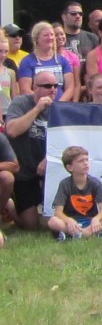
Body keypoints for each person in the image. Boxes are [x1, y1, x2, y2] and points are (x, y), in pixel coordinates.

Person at [5, 70, 58, 230]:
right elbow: (12, 130)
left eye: (55, 86)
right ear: (35, 88)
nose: (53, 89)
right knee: (31, 226)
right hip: (24, 171)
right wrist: (37, 109)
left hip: (47, 171)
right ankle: (9, 206)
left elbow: (65, 142)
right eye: (47, 86)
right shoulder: (20, 103)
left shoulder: (58, 109)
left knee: (48, 223)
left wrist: (48, 159)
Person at [47, 145, 102, 240]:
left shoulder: (95, 183)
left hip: (91, 221)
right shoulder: (64, 184)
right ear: (70, 167)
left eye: (86, 160)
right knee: (52, 221)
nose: (85, 163)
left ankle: (79, 234)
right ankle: (92, 233)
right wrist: (69, 220)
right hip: (73, 223)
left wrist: (96, 219)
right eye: (81, 161)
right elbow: (58, 212)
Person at [17, 21, 76, 101]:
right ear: (36, 39)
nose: (50, 38)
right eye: (46, 35)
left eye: (52, 35)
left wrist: (58, 104)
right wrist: (43, 103)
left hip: (59, 106)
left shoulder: (63, 61)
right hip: (36, 105)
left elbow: (70, 88)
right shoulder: (27, 62)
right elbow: (25, 90)